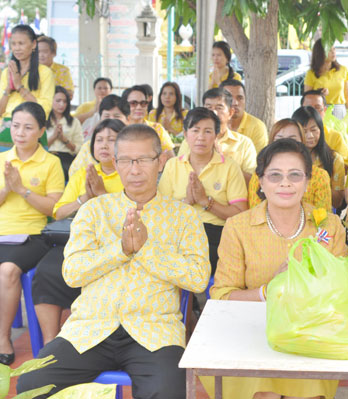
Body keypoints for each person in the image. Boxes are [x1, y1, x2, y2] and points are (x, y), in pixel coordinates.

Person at [17, 124, 211, 398]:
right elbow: (72, 273)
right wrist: (120, 250)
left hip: (154, 331)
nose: (134, 169)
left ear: (160, 162)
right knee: (31, 383)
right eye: (125, 161)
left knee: (167, 391)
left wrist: (145, 250)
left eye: (143, 160)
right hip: (91, 328)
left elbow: (198, 277)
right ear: (115, 163)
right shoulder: (94, 211)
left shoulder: (183, 216)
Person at [206, 138, 348, 399]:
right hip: (252, 331)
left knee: (304, 392)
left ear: (307, 181)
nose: (285, 183)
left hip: (311, 331)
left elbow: (345, 290)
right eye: (275, 175)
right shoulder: (238, 227)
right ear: (260, 181)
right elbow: (222, 295)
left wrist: (311, 286)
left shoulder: (329, 225)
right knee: (264, 394)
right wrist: (268, 291)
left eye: (295, 175)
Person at [33, 119, 126, 344]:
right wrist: (84, 198)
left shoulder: (130, 175)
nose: (104, 145)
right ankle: (50, 344)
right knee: (46, 272)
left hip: (117, 246)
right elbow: (59, 213)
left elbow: (134, 219)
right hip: (78, 242)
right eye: (99, 140)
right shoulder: (81, 175)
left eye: (111, 140)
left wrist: (102, 195)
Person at [0, 102, 64, 365]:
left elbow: (55, 209)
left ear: (41, 131)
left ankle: (3, 338)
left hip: (32, 235)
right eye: (15, 126)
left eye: (28, 127)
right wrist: (7, 187)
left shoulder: (51, 162)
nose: (20, 132)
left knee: (7, 270)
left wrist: (22, 189)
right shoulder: (2, 159)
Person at [159, 107, 247, 274]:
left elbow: (241, 214)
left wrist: (206, 202)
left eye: (207, 131)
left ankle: (201, 297)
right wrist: (187, 202)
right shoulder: (173, 165)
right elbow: (162, 210)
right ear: (185, 134)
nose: (201, 137)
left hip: (215, 235)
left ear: (216, 135)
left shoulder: (229, 167)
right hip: (179, 233)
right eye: (195, 130)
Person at [247, 118, 332, 210]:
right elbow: (255, 213)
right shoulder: (259, 175)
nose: (285, 145)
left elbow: (323, 218)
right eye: (279, 140)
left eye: (292, 140)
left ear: (302, 142)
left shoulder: (319, 176)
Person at [178, 88, 257, 182]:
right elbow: (180, 173)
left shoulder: (244, 143)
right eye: (208, 108)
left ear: (231, 113)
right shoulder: (190, 141)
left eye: (219, 108)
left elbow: (252, 182)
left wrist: (223, 160)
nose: (213, 112)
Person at [292, 106, 345, 208]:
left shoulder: (335, 159)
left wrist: (319, 183)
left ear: (321, 130)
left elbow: (338, 202)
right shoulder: (286, 159)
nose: (310, 136)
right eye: (304, 131)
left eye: (314, 130)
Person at [68, 95, 131, 177]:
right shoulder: (88, 146)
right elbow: (74, 174)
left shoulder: (134, 147)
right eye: (106, 116)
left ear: (128, 119)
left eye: (116, 116)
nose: (110, 120)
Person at [0, 25, 54, 119]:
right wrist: (9, 88)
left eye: (21, 43)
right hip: (7, 126)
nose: (17, 48)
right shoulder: (7, 72)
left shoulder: (45, 72)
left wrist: (20, 88)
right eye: (13, 44)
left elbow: (44, 110)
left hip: (32, 125)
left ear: (33, 44)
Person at [304, 39, 348, 118]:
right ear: (320, 53)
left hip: (340, 110)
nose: (333, 52)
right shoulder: (311, 73)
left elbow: (347, 95)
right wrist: (319, 93)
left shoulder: (343, 70)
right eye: (329, 50)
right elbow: (307, 96)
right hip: (321, 111)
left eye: (334, 49)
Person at [301, 89, 348, 164]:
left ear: (324, 110)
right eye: (308, 108)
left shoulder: (335, 137)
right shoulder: (295, 133)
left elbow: (346, 164)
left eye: (317, 108)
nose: (313, 112)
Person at [221, 79, 268, 152]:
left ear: (245, 100)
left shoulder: (257, 127)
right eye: (229, 98)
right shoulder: (212, 125)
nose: (235, 103)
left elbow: (259, 161)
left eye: (240, 98)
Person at [46, 86, 83, 179]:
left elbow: (79, 148)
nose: (62, 104)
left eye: (65, 101)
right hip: (46, 156)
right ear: (50, 100)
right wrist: (53, 137)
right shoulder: (43, 120)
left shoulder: (74, 122)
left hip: (66, 159)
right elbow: (37, 146)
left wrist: (64, 139)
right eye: (58, 101)